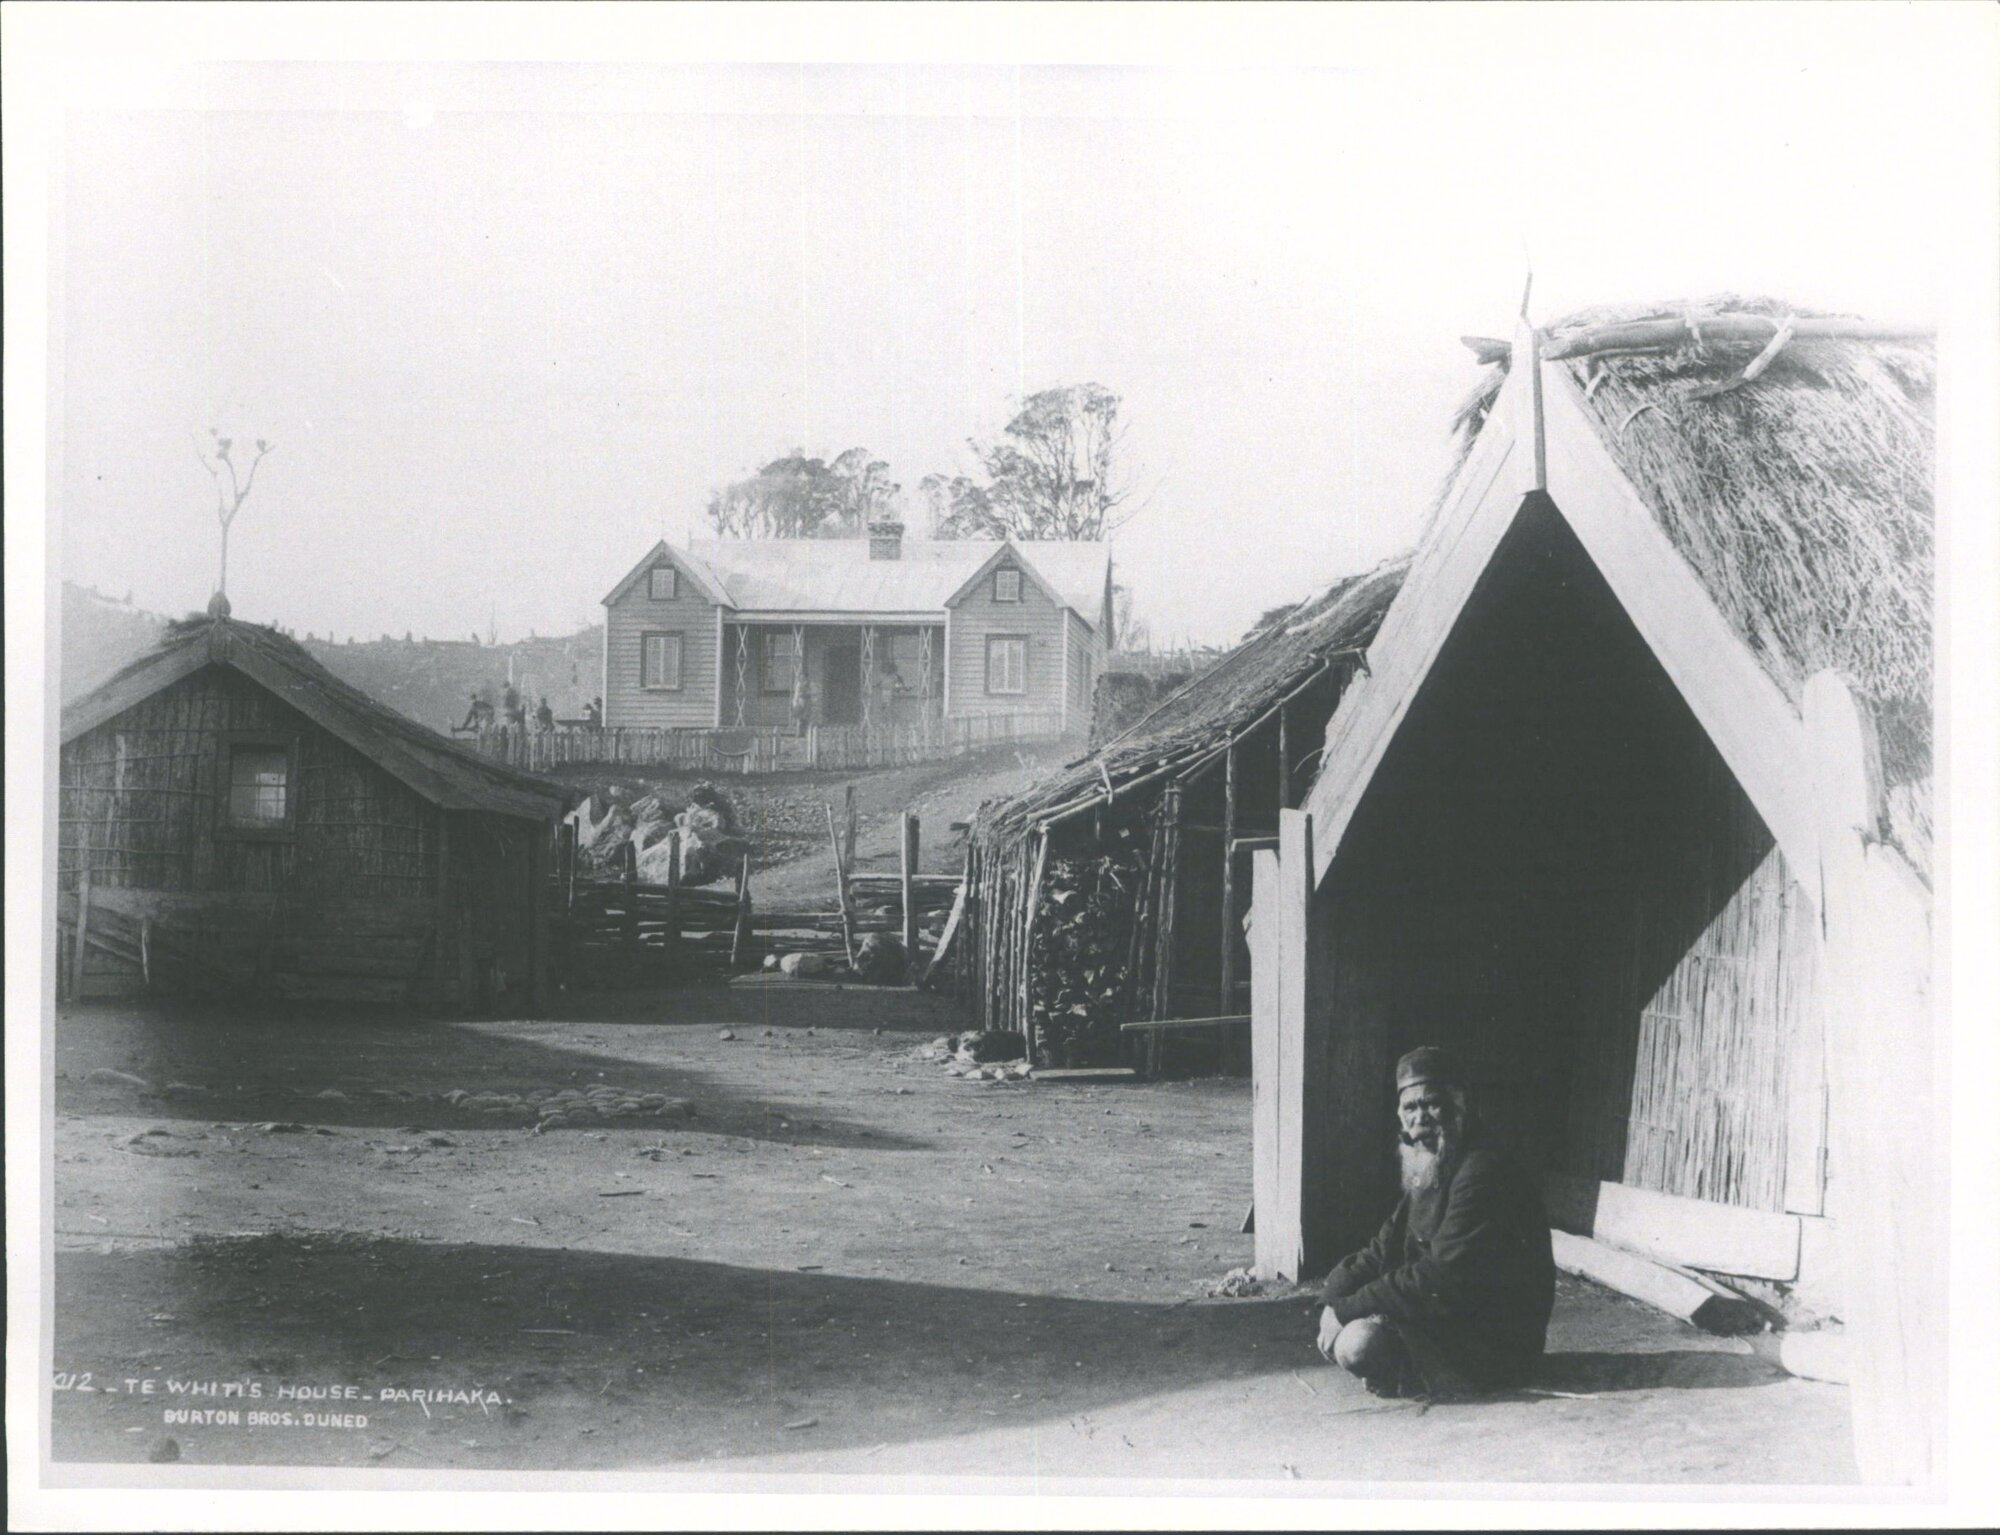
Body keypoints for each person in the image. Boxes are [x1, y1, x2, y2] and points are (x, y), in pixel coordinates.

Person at [1315, 1045, 1555, 1399]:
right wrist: (1331, 1299)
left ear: (1459, 1107)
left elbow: (1438, 1276)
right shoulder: (1431, 1164)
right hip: (1452, 1319)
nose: (1420, 1118)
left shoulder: (1480, 1169)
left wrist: (1349, 1309)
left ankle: (1411, 1373)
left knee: (1357, 1345)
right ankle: (1407, 1370)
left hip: (1498, 1344)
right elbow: (1381, 1248)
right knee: (1349, 1329)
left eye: (1432, 1104)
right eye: (1410, 1107)